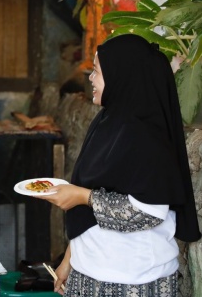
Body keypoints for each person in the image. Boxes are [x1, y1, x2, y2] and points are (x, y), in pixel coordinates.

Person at [39, 34, 201, 296]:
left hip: (134, 280)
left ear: (123, 75)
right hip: (88, 272)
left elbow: (148, 212)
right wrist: (69, 260)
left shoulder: (148, 137)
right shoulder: (106, 123)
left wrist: (81, 197)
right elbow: (90, 194)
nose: (91, 78)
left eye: (97, 71)